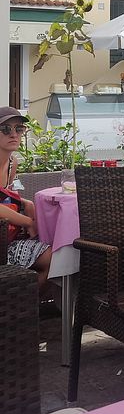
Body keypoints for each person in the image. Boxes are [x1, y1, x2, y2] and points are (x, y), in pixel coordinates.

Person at [0, 106, 52, 292]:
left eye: (19, 129)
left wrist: (25, 203)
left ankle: (21, 305)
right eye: (5, 129)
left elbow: (4, 197)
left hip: (6, 239)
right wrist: (28, 221)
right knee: (51, 257)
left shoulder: (12, 163)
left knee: (54, 258)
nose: (14, 134)